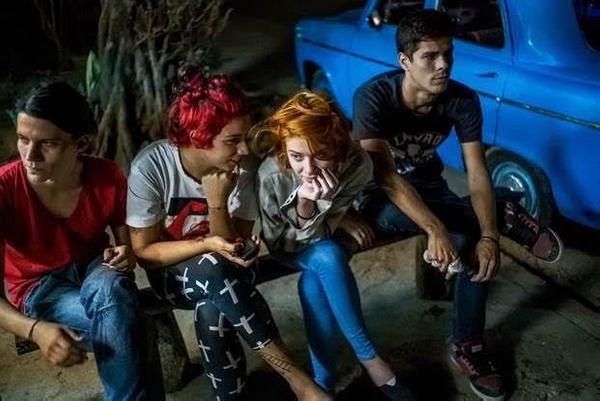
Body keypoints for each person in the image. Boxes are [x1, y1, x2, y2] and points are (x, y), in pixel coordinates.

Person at [352, 9, 563, 401]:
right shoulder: (373, 97)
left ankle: (467, 343)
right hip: (379, 197)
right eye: (430, 57)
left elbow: (477, 172)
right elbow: (385, 176)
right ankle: (504, 210)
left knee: (473, 243)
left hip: (431, 187)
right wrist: (435, 228)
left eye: (448, 53)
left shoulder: (463, 100)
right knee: (460, 229)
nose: (443, 65)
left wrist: (489, 236)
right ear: (405, 62)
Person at [126, 65, 331, 401]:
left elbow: (234, 247)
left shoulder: (243, 169)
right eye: (232, 141)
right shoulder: (152, 167)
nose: (245, 151)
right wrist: (207, 239)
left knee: (213, 304)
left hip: (231, 274)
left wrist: (217, 205)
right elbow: (145, 252)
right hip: (172, 278)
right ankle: (297, 379)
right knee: (212, 268)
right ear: (197, 138)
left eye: (245, 137)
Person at [255, 90, 414, 400]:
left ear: (340, 148)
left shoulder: (357, 164)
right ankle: (370, 359)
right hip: (286, 245)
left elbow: (327, 227)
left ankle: (323, 383)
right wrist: (307, 205)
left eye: (321, 154)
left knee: (314, 281)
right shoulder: (271, 175)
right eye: (297, 156)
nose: (309, 169)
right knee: (326, 256)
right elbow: (278, 241)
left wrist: (334, 212)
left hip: (323, 237)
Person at [0, 81, 149, 400]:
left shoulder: (107, 175)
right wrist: (35, 329)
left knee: (113, 293)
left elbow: (128, 247)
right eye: (23, 139)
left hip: (95, 271)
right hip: (38, 287)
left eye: (48, 144)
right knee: (127, 324)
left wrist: (126, 254)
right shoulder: (4, 189)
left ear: (80, 144)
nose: (30, 156)